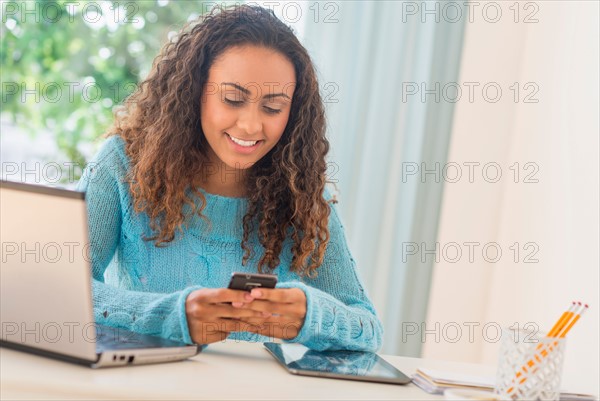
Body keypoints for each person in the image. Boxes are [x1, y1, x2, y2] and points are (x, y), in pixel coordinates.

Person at [77, 4, 383, 352]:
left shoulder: (303, 195)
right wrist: (171, 315)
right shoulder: (123, 164)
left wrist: (310, 315)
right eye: (233, 99)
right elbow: (64, 287)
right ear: (195, 92)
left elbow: (367, 327)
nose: (251, 125)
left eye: (273, 107)